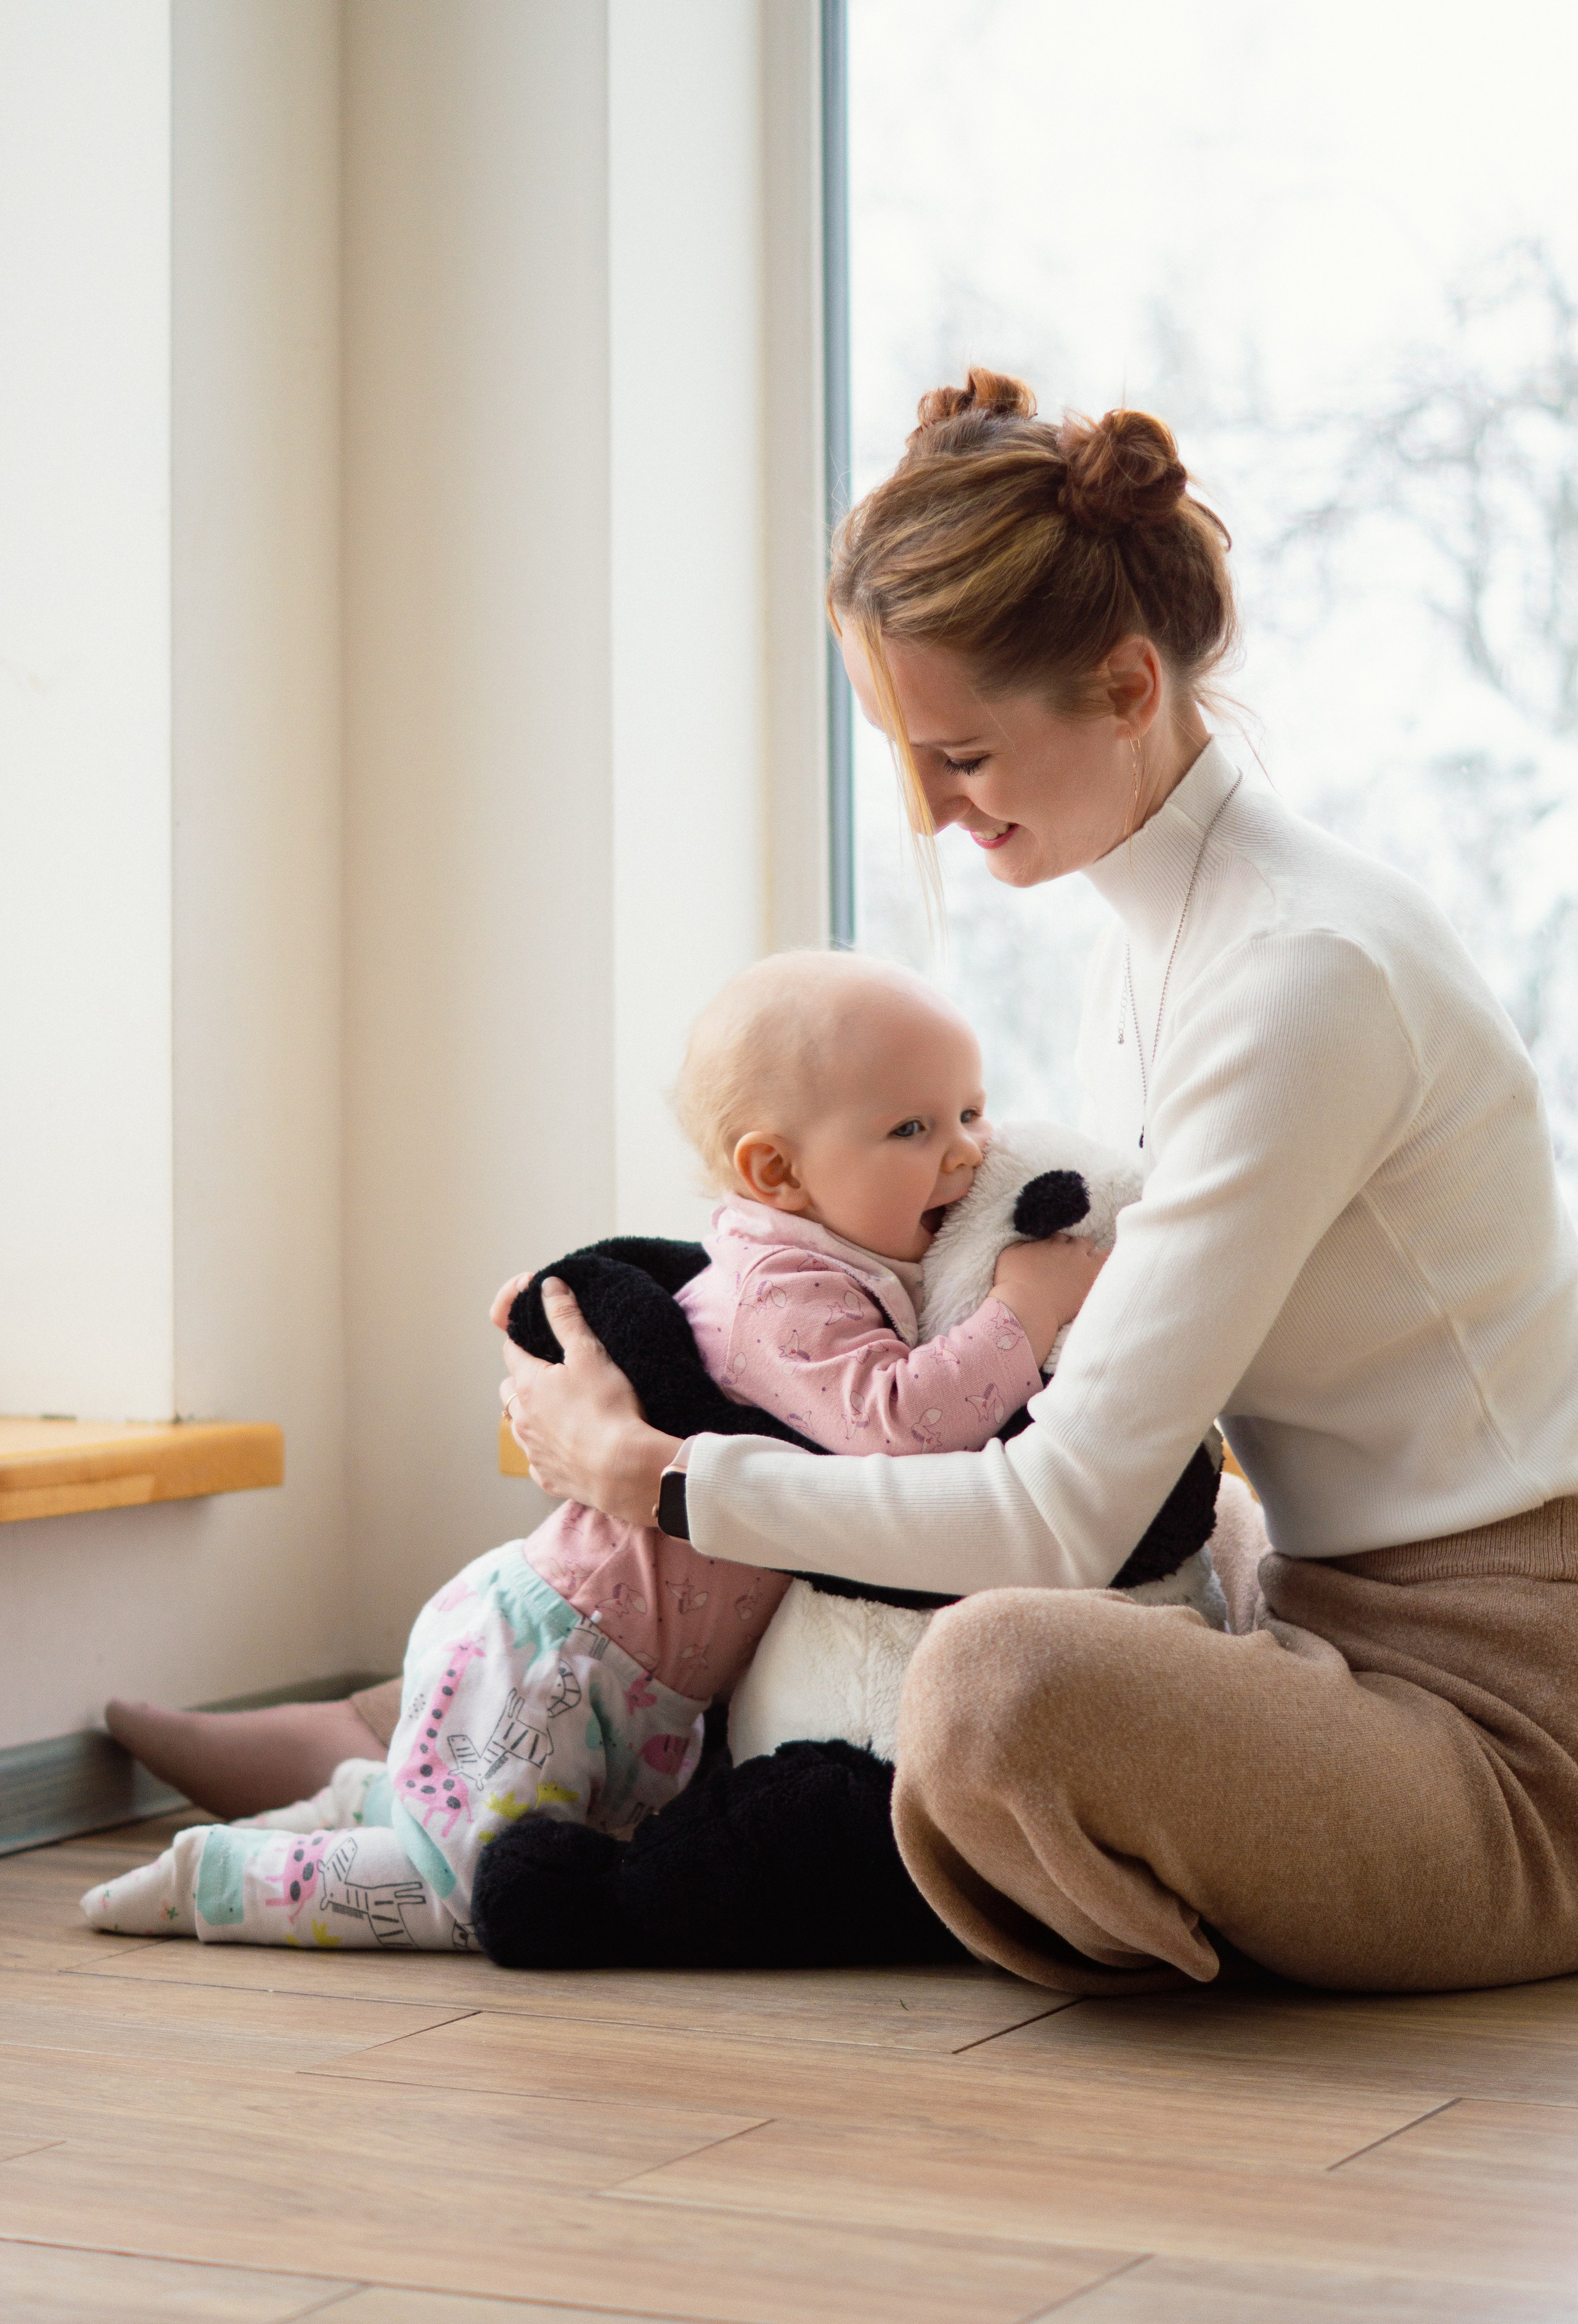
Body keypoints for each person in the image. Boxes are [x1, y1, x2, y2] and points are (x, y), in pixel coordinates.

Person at [499, 368, 1578, 1999]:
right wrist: (647, 1330)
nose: (931, 810)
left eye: (960, 755)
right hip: (1302, 1621)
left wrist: (661, 1475)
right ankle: (425, 1754)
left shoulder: (1301, 976)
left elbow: (1057, 1516)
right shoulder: (1151, 955)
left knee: (993, 1678)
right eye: (904, 757)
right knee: (877, 1638)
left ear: (1127, 685)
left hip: (1510, 1719)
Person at [84, 952, 1099, 1949]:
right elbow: (902, 1426)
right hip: (557, 1658)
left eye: (973, 1112)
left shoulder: (848, 1265)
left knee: (533, 1850)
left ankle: (364, 1799)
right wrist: (1028, 1304)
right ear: (776, 1172)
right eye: (914, 1128)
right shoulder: (783, 1291)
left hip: (636, 1682)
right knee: (488, 1895)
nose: (967, 1153)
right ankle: (215, 1882)